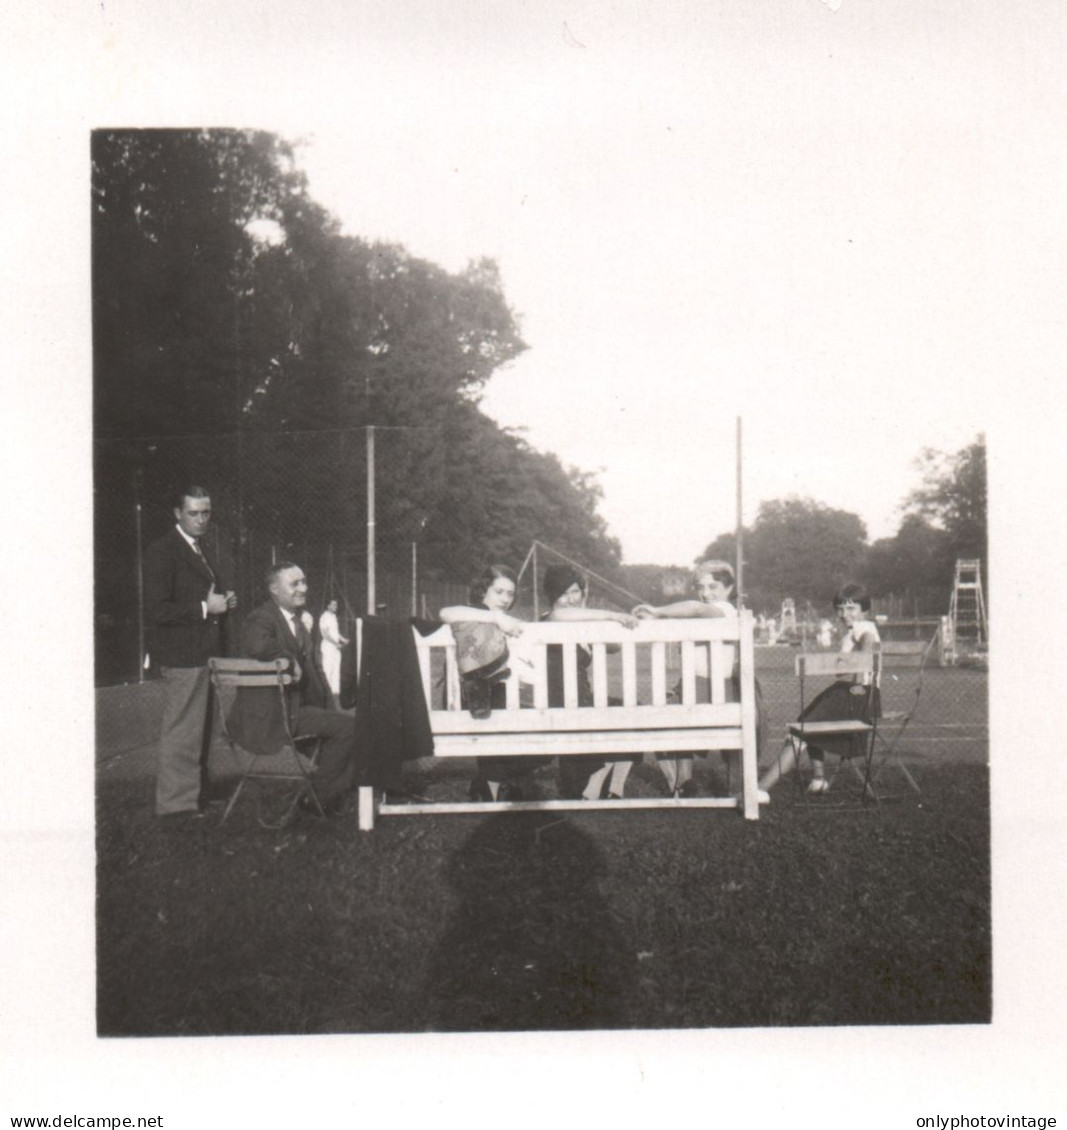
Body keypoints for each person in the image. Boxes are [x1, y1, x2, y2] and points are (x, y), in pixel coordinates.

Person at [228, 561, 356, 816]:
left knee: (350, 738)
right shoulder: (261, 617)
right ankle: (317, 797)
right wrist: (288, 658)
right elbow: (257, 645)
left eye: (304, 582)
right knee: (351, 731)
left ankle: (335, 792)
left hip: (294, 711)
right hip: (272, 717)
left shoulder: (297, 622)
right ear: (274, 589)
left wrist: (330, 710)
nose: (303, 588)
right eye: (294, 583)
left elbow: (316, 672)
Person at [633, 559, 765, 799]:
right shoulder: (716, 615)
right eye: (701, 587)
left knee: (676, 705)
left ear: (729, 589)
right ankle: (688, 780)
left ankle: (685, 779)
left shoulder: (726, 611)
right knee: (684, 698)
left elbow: (697, 608)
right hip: (714, 696)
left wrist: (658, 611)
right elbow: (694, 611)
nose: (705, 593)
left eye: (713, 587)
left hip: (711, 694)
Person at [143, 485, 237, 821]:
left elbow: (204, 595)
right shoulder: (163, 551)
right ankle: (176, 806)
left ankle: (197, 795)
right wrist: (204, 607)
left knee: (202, 731)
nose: (201, 519)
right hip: (183, 656)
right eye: (193, 513)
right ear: (177, 514)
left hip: (204, 653)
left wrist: (222, 604)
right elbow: (156, 610)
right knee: (183, 731)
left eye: (206, 512)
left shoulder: (199, 548)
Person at [759, 582, 881, 794]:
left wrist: (859, 678)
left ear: (865, 610)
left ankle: (760, 789)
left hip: (855, 694)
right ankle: (818, 779)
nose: (844, 614)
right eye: (840, 609)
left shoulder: (864, 628)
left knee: (799, 732)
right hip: (857, 694)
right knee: (805, 722)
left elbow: (867, 646)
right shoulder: (857, 630)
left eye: (851, 608)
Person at [439, 565, 542, 802]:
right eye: (499, 592)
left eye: (510, 593)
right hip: (471, 697)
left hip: (492, 696)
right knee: (517, 715)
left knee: (525, 717)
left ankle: (489, 782)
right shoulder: (471, 612)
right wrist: (495, 617)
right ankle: (497, 783)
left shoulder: (508, 620)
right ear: (483, 589)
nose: (505, 599)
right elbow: (445, 613)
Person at [541, 564, 639, 800]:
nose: (571, 598)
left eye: (575, 592)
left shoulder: (582, 624)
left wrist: (594, 623)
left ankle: (615, 788)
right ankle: (596, 785)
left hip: (579, 701)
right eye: (563, 593)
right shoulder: (550, 619)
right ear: (553, 595)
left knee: (633, 709)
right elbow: (561, 614)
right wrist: (613, 615)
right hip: (560, 703)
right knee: (624, 711)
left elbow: (614, 646)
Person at [318, 597, 350, 707]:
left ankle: (335, 701)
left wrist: (343, 640)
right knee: (328, 671)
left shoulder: (333, 616)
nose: (336, 607)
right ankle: (326, 701)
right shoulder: (324, 617)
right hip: (328, 647)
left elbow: (335, 633)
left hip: (336, 648)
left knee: (336, 673)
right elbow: (326, 634)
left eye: (336, 605)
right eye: (333, 605)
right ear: (328, 606)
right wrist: (335, 643)